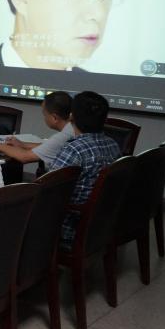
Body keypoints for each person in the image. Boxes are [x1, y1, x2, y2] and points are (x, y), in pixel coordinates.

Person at [49, 91, 121, 250]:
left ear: (71, 117)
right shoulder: (113, 144)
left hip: (70, 227)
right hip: (101, 224)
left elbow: (49, 192)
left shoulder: (74, 150)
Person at [0, 91, 75, 168]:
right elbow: (49, 146)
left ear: (54, 118)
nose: (44, 118)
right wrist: (23, 144)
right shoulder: (72, 128)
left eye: (45, 114)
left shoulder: (64, 136)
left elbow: (25, 157)